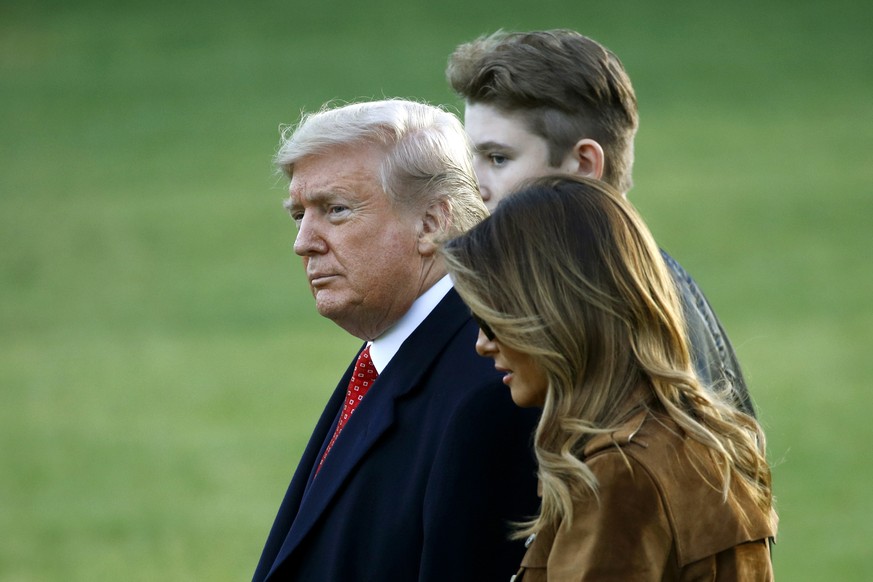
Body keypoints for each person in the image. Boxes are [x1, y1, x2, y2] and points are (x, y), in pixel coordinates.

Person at [252, 99, 541, 581]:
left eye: (336, 210)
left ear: (431, 223)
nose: (303, 241)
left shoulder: (489, 387)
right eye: (298, 214)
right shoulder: (389, 348)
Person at [442, 175, 777, 580]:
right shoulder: (688, 440)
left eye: (491, 320)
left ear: (557, 317)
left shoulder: (619, 477)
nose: (481, 344)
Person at [446, 29, 755, 415]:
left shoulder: (628, 318)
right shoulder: (588, 291)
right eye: (472, 157)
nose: (475, 186)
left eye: (498, 159)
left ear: (584, 165)